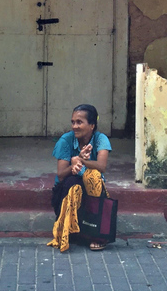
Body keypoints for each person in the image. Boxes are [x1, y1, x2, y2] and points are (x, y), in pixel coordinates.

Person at [47, 104, 113, 252]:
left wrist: (81, 161)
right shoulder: (66, 140)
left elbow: (101, 166)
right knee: (72, 181)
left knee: (94, 176)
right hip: (65, 192)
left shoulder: (100, 139)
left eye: (79, 122)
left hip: (91, 191)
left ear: (91, 125)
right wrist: (73, 165)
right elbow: (61, 174)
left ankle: (97, 234)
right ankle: (69, 228)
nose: (75, 126)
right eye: (73, 122)